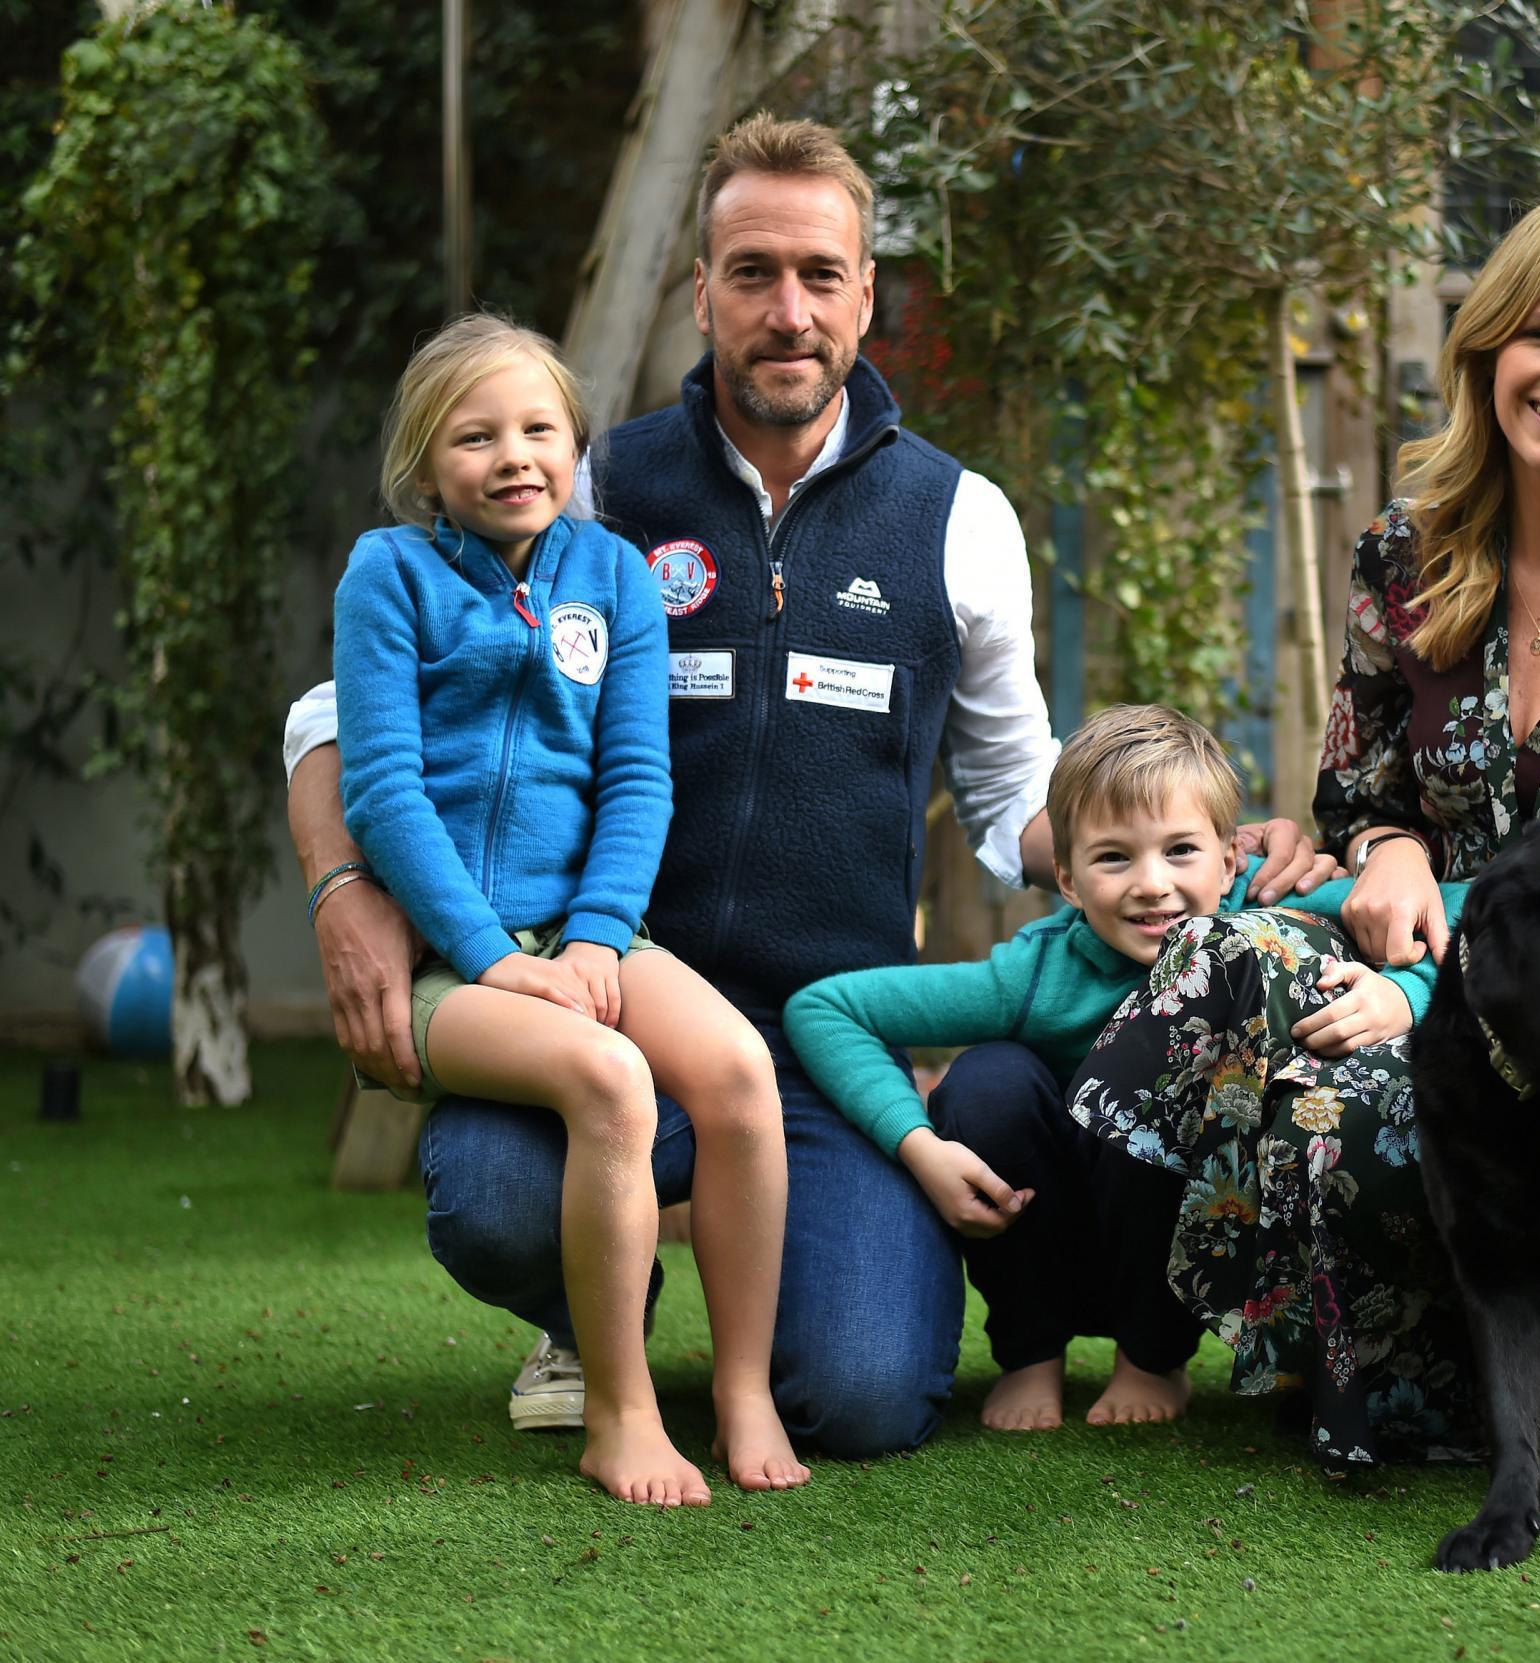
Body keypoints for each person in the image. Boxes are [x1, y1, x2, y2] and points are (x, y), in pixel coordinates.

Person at [284, 113, 1327, 1458]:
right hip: (616, 995)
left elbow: (1025, 795)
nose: (788, 311)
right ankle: (592, 1310)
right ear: (703, 286)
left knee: (865, 1395)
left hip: (825, 1040)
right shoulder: (594, 486)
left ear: (865, 293)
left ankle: (767, 1323)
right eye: (753, 271)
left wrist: (1188, 856)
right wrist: (338, 879)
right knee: (486, 1194)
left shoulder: (959, 519)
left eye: (819, 275)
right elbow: (348, 708)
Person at [1067, 184, 1540, 1469]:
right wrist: (1394, 849)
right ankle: (1127, 1294)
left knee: (1347, 1092)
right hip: (1418, 980)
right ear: (1489, 351)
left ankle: (1405, 1395)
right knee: (1220, 948)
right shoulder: (1401, 562)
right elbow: (1359, 797)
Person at [330, 314, 804, 1505]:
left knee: (742, 1072)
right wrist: (489, 956)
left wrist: (598, 932)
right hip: (452, 958)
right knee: (612, 1081)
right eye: (474, 435)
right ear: (425, 461)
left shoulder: (613, 578)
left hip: (587, 927)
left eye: (539, 428)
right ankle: (620, 1403)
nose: (513, 456)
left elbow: (639, 776)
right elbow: (381, 789)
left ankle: (741, 1389)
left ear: (574, 443)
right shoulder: (387, 576)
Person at [784, 705, 1457, 1433]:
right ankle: (1030, 1353)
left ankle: (1151, 1355)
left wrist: (1405, 991)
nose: (1151, 884)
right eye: (1114, 858)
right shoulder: (1039, 974)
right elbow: (823, 1008)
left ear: (1232, 860)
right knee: (987, 1081)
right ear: (1068, 881)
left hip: (1173, 1231)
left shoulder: (1272, 906)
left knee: (1173, 1082)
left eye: (1180, 851)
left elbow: (1463, 909)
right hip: (1053, 1219)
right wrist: (918, 1143)